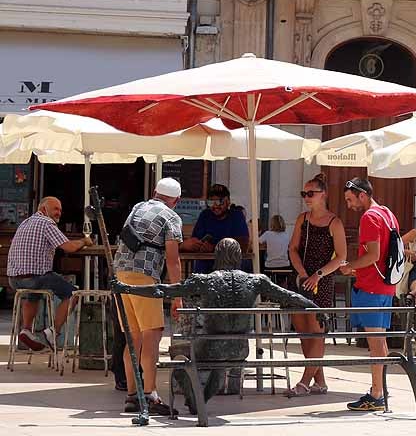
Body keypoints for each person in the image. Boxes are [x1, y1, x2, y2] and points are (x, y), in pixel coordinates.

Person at [114, 238, 315, 412]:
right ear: (239, 257)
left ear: (217, 257)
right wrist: (315, 308)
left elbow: (163, 290)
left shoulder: (206, 280)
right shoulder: (257, 280)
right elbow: (289, 296)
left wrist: (128, 288)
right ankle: (196, 403)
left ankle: (195, 400)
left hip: (209, 348)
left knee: (178, 353)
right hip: (239, 350)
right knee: (221, 365)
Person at [113, 178, 185, 416]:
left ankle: (132, 395)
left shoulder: (137, 207)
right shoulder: (171, 217)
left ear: (155, 192)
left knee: (132, 339)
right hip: (145, 278)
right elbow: (173, 261)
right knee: (152, 336)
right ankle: (150, 394)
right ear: (176, 200)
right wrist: (177, 296)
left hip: (120, 274)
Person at [340, 178, 400, 412]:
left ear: (362, 195)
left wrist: (350, 267)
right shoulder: (387, 213)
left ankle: (376, 394)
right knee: (380, 342)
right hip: (386, 286)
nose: (348, 205)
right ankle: (380, 389)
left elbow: (373, 255)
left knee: (375, 343)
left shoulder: (369, 217)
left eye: (349, 199)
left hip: (371, 286)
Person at [285, 173, 348, 397]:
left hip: (321, 281)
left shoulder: (334, 222)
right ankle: (319, 381)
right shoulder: (303, 219)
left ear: (323, 195)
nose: (307, 197)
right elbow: (292, 248)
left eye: (311, 193)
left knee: (316, 330)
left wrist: (318, 275)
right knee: (303, 330)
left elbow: (341, 256)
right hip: (302, 278)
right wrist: (302, 273)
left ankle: (304, 381)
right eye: (304, 193)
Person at [6, 197, 91, 352]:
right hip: (34, 277)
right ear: (43, 209)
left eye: (60, 210)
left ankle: (26, 330)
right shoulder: (46, 223)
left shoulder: (25, 223)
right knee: (72, 293)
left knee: (33, 294)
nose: (59, 213)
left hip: (14, 280)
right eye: (55, 209)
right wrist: (84, 241)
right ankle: (53, 331)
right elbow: (69, 248)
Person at [182, 184, 250, 273]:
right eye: (211, 202)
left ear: (228, 201)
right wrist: (194, 245)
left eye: (219, 202)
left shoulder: (236, 216)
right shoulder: (205, 215)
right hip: (205, 268)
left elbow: (243, 245)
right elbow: (196, 239)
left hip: (230, 269)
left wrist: (214, 248)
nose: (215, 206)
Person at [260, 214, 291, 280]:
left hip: (270, 265)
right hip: (284, 265)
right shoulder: (286, 234)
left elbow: (256, 243)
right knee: (282, 280)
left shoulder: (267, 234)